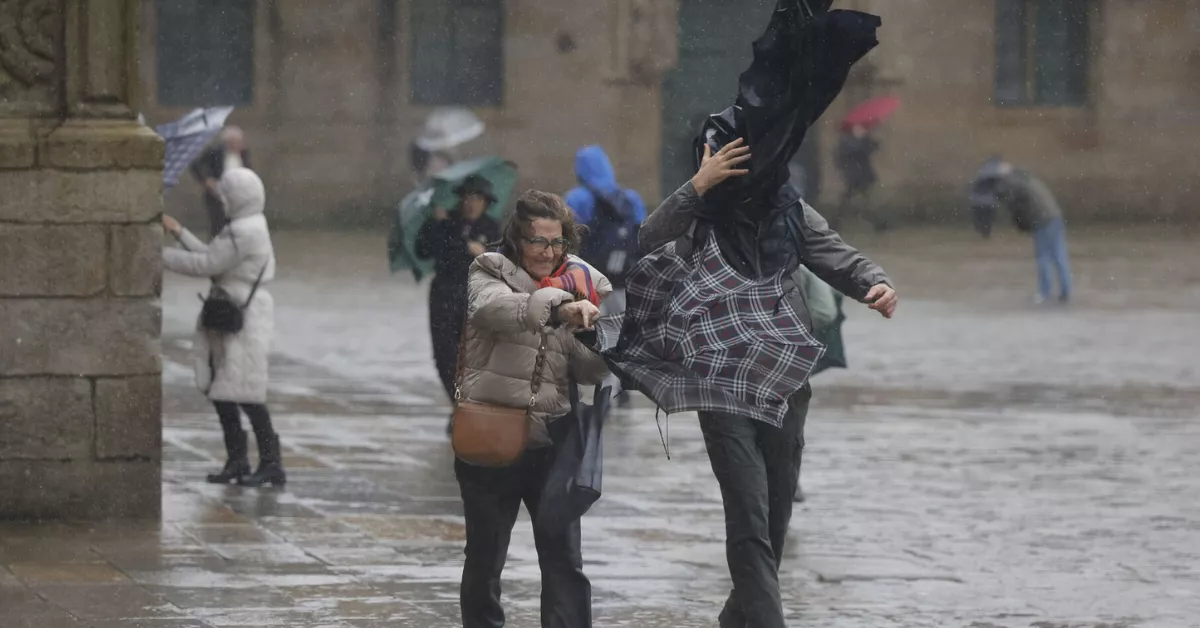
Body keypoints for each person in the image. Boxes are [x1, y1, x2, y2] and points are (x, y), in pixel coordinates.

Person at [640, 139, 897, 628]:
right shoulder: (697, 212)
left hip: (783, 376)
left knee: (776, 513)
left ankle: (739, 616)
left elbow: (834, 252)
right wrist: (697, 186)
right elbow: (648, 241)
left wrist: (872, 281)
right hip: (718, 378)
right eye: (720, 157)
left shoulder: (788, 209)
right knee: (748, 514)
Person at [456, 190, 612, 628]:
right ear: (517, 240)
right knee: (485, 558)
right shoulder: (489, 270)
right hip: (491, 432)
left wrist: (597, 341)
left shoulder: (584, 283)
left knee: (564, 559)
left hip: (554, 438)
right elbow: (496, 311)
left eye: (557, 242)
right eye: (537, 241)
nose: (548, 252)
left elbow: (586, 371)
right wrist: (562, 308)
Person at [162, 168, 286, 488]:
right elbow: (212, 255)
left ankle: (270, 462)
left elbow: (206, 265)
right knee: (225, 390)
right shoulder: (246, 227)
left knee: (246, 392)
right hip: (234, 309)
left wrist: (159, 255)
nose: (223, 200)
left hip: (242, 315)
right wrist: (179, 232)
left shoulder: (244, 231)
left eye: (226, 195)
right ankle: (239, 460)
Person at [564, 145, 647, 408]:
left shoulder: (578, 198)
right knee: (620, 337)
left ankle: (600, 397)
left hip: (591, 284)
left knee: (591, 339)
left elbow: (566, 238)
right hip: (624, 283)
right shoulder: (630, 198)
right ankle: (621, 390)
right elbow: (644, 235)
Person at [415, 175, 504, 415]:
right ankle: (459, 406)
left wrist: (481, 252)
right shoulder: (444, 223)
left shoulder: (492, 228)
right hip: (444, 295)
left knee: (475, 357)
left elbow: (501, 263)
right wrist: (436, 224)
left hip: (477, 297)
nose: (471, 203)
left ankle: (470, 406)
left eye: (477, 198)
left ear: (486, 202)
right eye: (468, 197)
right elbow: (423, 250)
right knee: (444, 356)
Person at [973, 159, 1073, 304]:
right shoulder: (1023, 176)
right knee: (1059, 256)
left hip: (1042, 220)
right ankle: (1066, 292)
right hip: (1054, 216)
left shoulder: (1010, 183)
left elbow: (1016, 207)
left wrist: (998, 195)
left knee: (1043, 258)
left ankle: (1044, 293)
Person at [192, 126, 252, 239]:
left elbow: (249, 170)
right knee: (218, 227)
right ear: (228, 141)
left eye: (240, 141)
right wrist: (207, 180)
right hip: (217, 195)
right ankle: (215, 252)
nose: (239, 145)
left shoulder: (243, 153)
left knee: (237, 227)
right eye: (236, 142)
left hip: (238, 196)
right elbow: (196, 165)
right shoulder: (215, 152)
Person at [833, 123, 886, 231]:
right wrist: (860, 140)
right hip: (854, 177)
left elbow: (871, 149)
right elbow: (851, 154)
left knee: (865, 201)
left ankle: (879, 223)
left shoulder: (862, 140)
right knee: (852, 202)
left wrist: (867, 138)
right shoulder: (847, 142)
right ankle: (835, 223)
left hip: (863, 177)